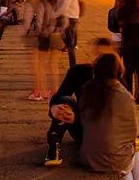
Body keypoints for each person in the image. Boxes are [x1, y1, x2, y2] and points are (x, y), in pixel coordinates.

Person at [76, 53, 139, 180]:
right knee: (135, 152)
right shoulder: (124, 97)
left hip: (89, 157)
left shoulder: (87, 91)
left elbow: (83, 121)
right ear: (119, 72)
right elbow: (132, 133)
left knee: (129, 151)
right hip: (114, 160)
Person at [45, 37, 118, 166]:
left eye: (106, 56)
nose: (102, 60)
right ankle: (54, 145)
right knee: (65, 101)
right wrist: (53, 108)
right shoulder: (79, 72)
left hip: (101, 134)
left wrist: (76, 119)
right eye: (100, 55)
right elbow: (59, 96)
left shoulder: (117, 80)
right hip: (79, 128)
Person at [30, 0, 62, 101]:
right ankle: (55, 91)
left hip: (45, 36)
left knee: (40, 66)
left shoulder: (42, 4)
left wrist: (38, 33)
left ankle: (40, 92)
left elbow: (38, 22)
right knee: (54, 66)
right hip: (58, 36)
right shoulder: (58, 4)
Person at [54, 0, 82, 68]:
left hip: (69, 18)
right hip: (67, 17)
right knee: (68, 41)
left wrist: (54, 14)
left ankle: (73, 66)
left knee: (70, 44)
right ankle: (73, 65)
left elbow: (64, 6)